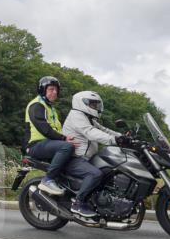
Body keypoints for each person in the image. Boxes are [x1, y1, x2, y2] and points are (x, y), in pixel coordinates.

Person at [61, 90, 130, 218]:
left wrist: (121, 136)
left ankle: (100, 202)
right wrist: (114, 140)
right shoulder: (77, 116)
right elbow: (91, 132)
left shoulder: (88, 118)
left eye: (96, 104)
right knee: (95, 174)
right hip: (74, 158)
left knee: (109, 170)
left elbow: (103, 130)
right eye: (92, 104)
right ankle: (78, 203)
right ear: (82, 104)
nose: (95, 107)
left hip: (86, 158)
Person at [24, 76, 75, 197]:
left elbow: (57, 130)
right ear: (43, 90)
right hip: (36, 145)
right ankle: (48, 179)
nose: (55, 92)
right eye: (51, 89)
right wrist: (64, 139)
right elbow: (44, 128)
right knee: (66, 147)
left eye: (56, 90)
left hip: (48, 144)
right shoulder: (36, 105)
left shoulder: (51, 108)